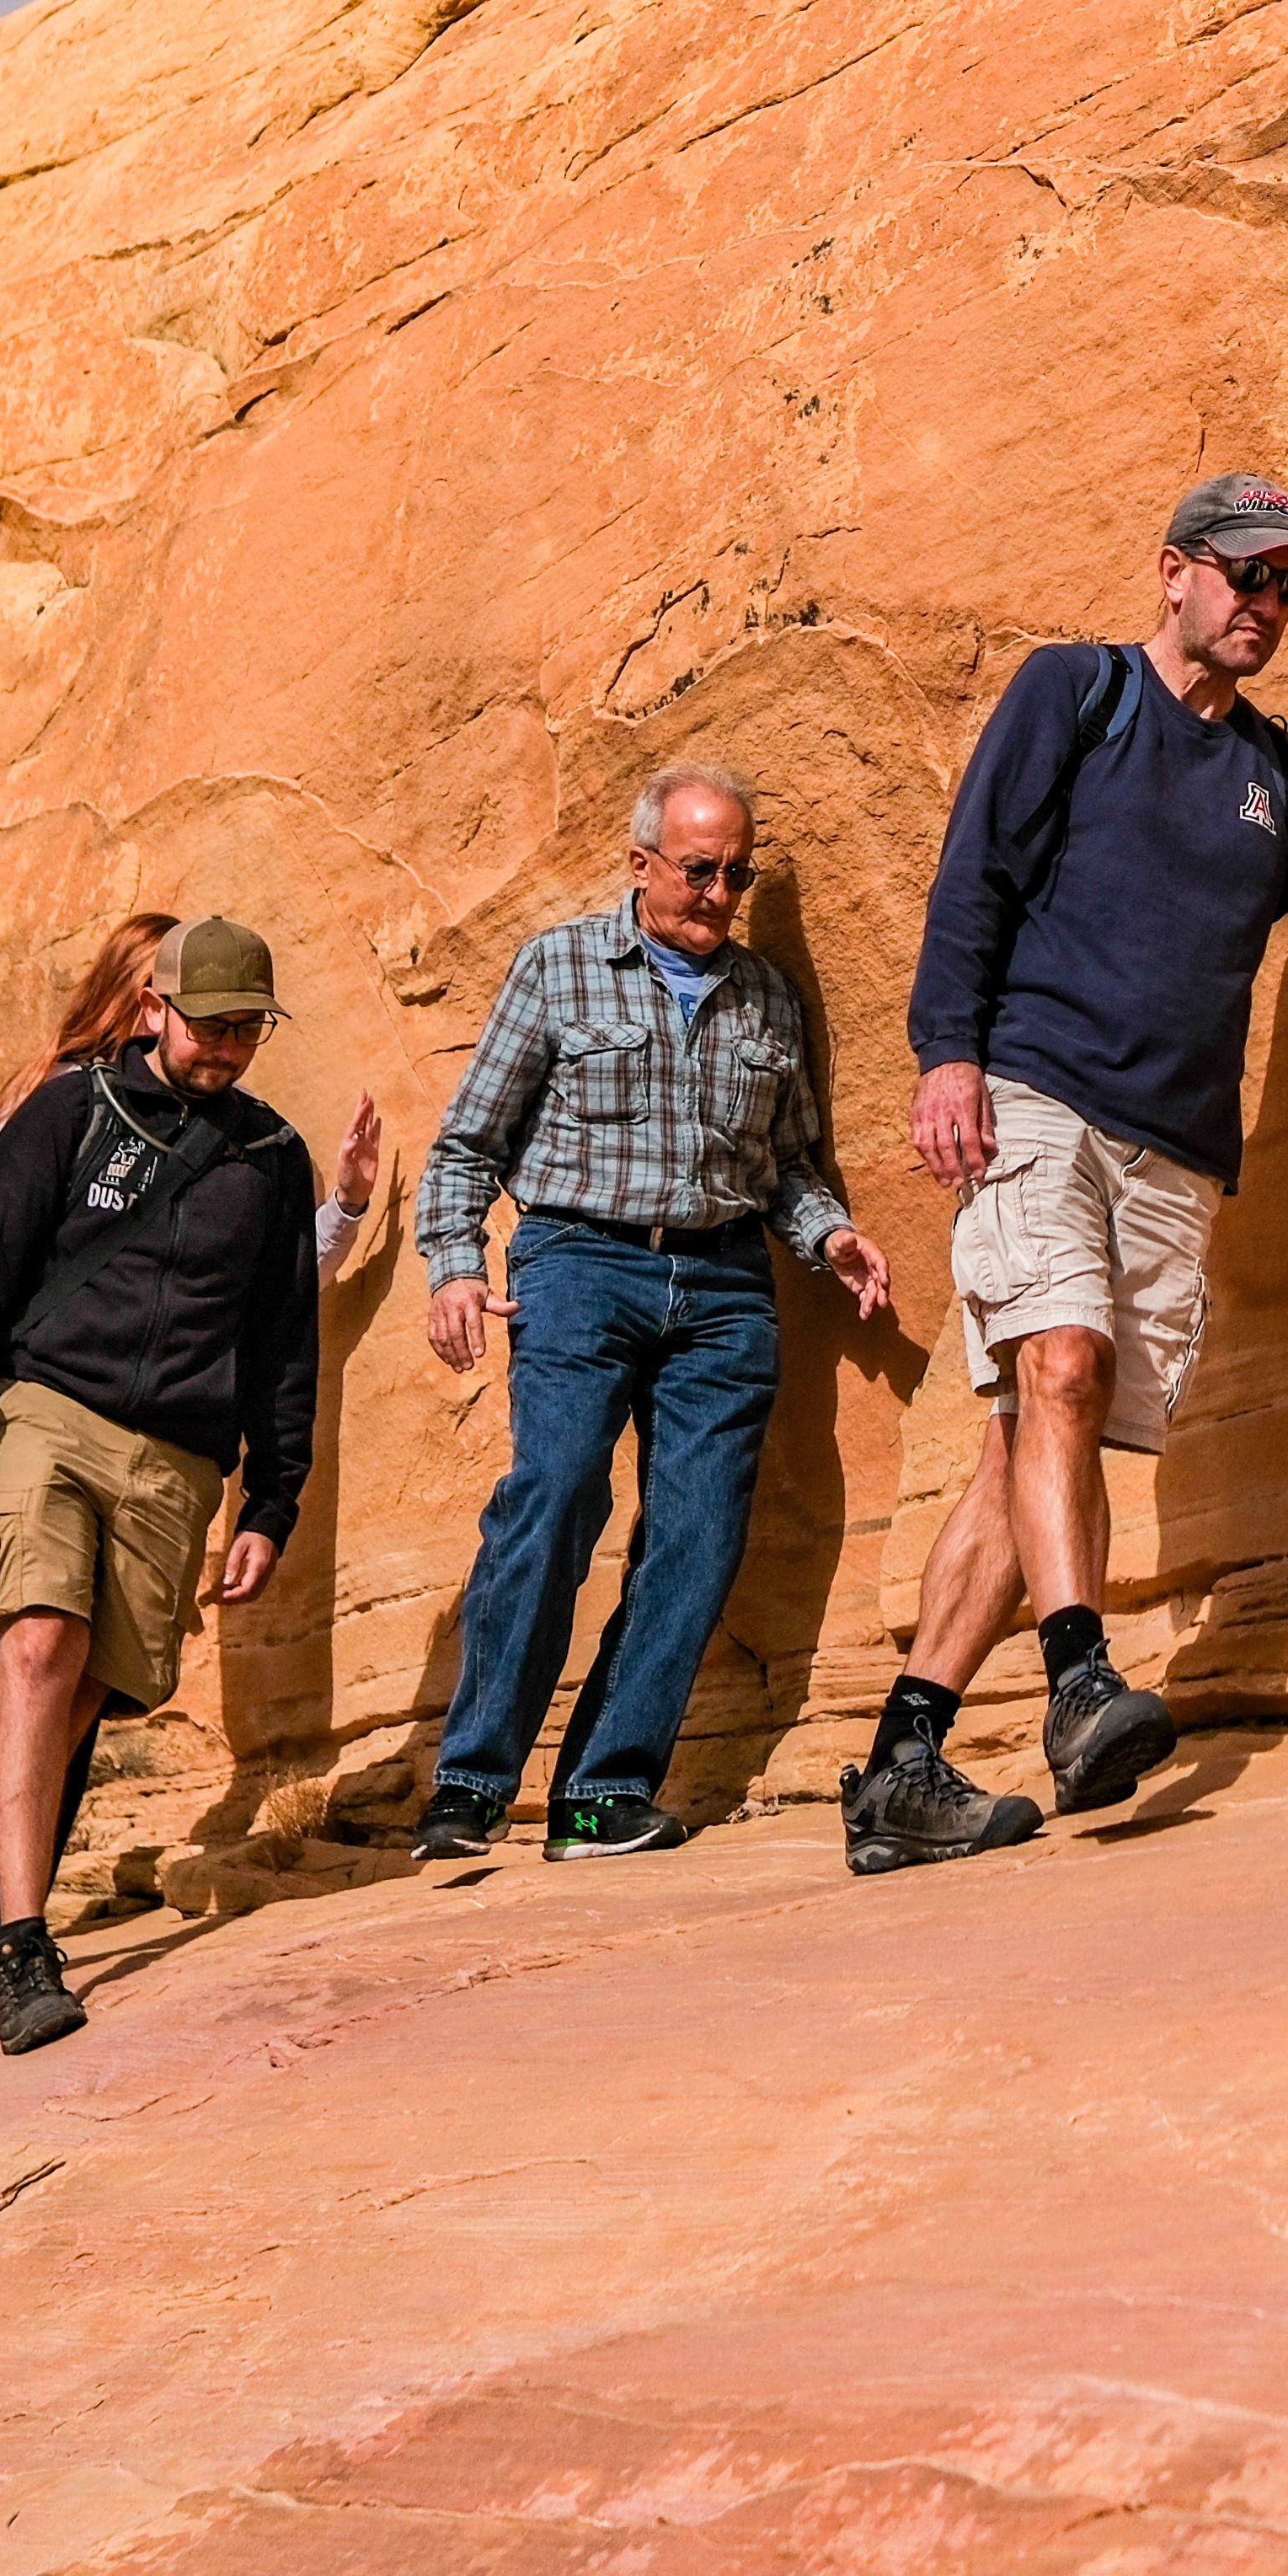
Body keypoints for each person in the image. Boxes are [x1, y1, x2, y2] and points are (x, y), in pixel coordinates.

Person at [853, 477, 1288, 1871]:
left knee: (1027, 1437)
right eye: (1244, 576)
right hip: (1034, 1089)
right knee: (1059, 1365)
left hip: (1174, 1156)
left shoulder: (1281, 783)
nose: (1267, 605)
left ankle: (902, 1758)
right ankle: (1081, 1677)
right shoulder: (1073, 694)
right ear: (1173, 571)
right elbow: (973, 873)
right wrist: (944, 1054)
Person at [0, 913, 383, 1947]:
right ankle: (6, 1927)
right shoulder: (65, 1112)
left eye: (247, 1027)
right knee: (32, 1643)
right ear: (151, 1007)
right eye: (207, 1022)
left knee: (69, 1686)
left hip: (170, 1458)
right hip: (45, 1413)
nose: (225, 1044)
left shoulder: (265, 1153)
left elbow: (276, 1336)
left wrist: (273, 1497)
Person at [409, 769, 897, 1864]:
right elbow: (467, 1146)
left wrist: (828, 1238)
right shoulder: (560, 967)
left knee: (699, 1534)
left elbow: (787, 1168)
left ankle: (600, 1795)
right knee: (556, 1493)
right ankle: (472, 1783)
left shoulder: (767, 995)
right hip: (581, 1261)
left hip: (726, 1285)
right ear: (641, 865)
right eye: (698, 870)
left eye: (737, 873)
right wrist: (452, 1266)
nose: (719, 892)